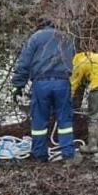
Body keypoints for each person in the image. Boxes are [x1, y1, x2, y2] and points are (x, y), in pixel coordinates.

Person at [11, 19, 76, 161]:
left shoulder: (35, 37)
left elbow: (24, 62)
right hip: (62, 81)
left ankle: (40, 155)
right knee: (64, 120)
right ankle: (68, 154)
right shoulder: (66, 37)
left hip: (41, 83)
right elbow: (73, 60)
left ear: (40, 26)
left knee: (39, 120)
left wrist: (18, 86)